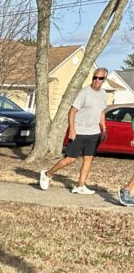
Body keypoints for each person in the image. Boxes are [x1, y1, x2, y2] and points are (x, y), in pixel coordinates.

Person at [39, 67, 108, 195]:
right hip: (79, 131)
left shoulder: (103, 94)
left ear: (105, 79)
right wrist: (72, 129)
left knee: (88, 158)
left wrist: (103, 128)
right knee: (70, 159)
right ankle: (48, 173)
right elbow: (72, 111)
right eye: (95, 77)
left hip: (93, 132)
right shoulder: (84, 93)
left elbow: (101, 112)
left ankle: (80, 186)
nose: (97, 80)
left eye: (100, 78)